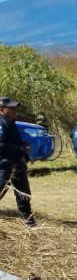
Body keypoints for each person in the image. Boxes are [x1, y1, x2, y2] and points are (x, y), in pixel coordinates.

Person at [0, 96, 35, 227]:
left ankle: (29, 220)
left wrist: (22, 145)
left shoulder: (10, 121)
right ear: (2, 109)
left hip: (17, 162)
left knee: (24, 193)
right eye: (12, 108)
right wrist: (19, 148)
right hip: (4, 163)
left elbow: (11, 140)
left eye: (16, 107)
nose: (16, 110)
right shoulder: (1, 123)